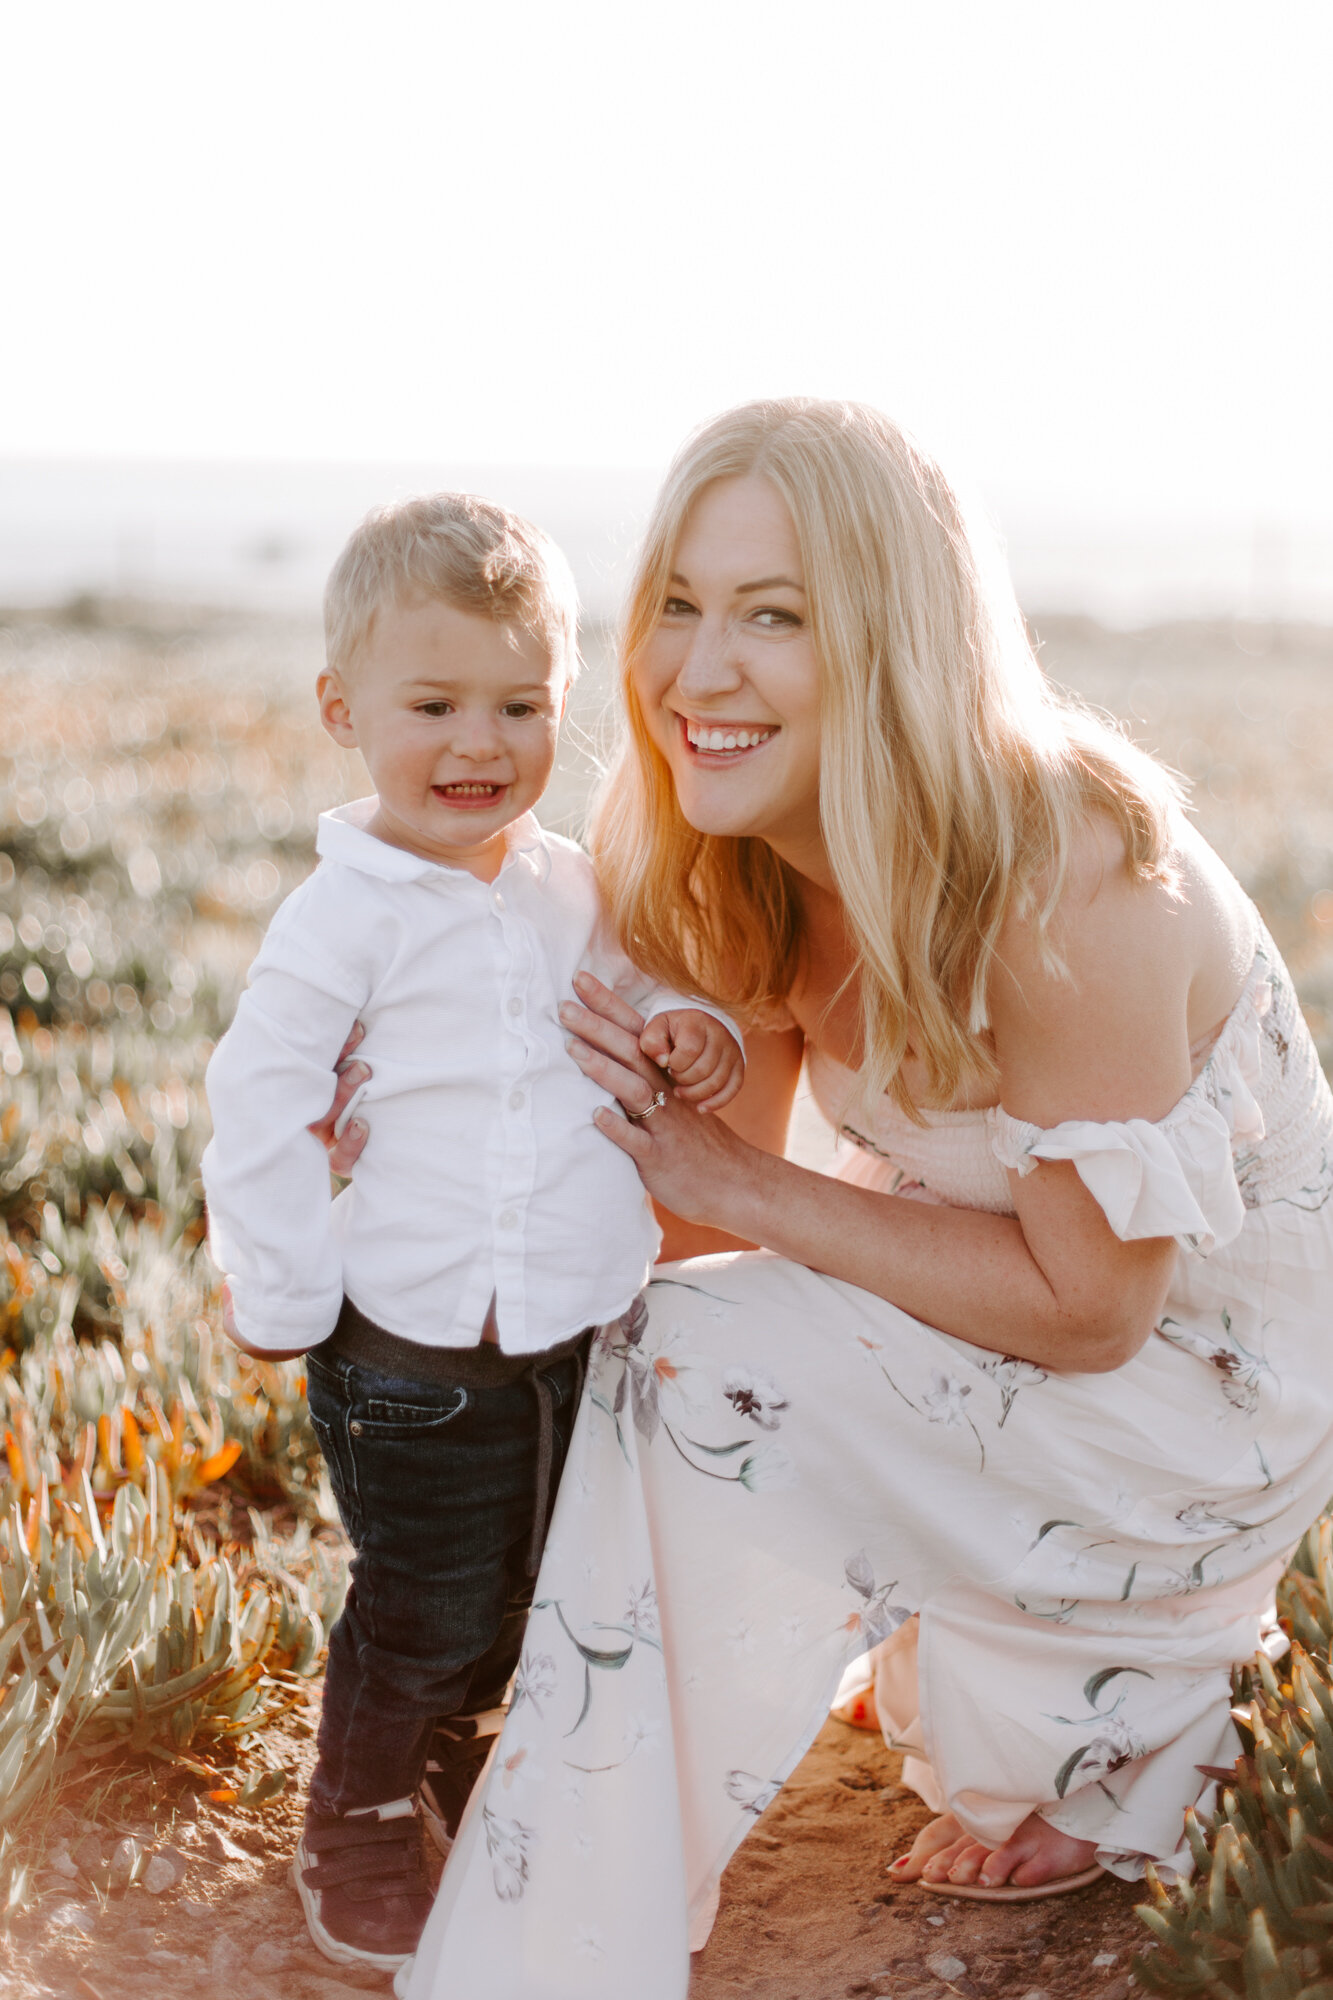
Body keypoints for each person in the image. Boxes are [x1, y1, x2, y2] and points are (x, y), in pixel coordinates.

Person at [314, 405, 1333, 2000]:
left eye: (773, 616)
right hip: (1003, 1336)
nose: (696, 672)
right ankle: (597, 1799)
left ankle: (576, 1900)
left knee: (699, 1376)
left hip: (1194, 1403)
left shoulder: (1067, 859)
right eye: (678, 605)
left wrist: (736, 1179)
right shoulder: (748, 852)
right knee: (666, 1350)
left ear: (890, 635)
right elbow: (703, 1240)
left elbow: (1092, 1307)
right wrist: (431, 1160)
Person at [200, 492, 744, 1976]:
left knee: (530, 1581)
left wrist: (689, 1037)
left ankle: (463, 1750)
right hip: (402, 1343)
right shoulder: (341, 918)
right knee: (422, 1595)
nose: (475, 742)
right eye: (431, 704)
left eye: (517, 705)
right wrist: (281, 1289)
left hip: (566, 1329)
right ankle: (360, 1806)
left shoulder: (571, 888)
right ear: (341, 708)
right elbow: (258, 1103)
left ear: (562, 710)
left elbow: (643, 994)